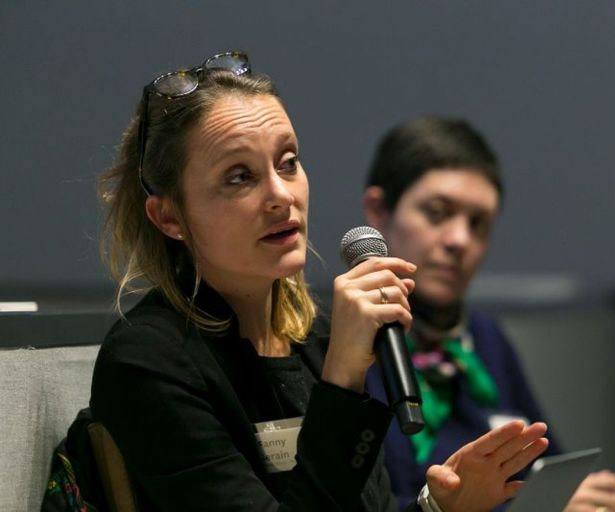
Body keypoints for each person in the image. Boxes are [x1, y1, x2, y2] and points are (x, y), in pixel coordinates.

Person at [89, 51, 549, 512]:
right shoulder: (148, 362)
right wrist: (343, 382)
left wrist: (440, 507)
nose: (281, 195)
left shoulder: (313, 335)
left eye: (288, 163)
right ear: (169, 216)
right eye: (239, 177)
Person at [362, 116, 615, 512]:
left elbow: (546, 469)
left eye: (478, 223)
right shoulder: (338, 340)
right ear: (378, 211)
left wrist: (599, 501)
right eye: (437, 212)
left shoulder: (486, 339)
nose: (460, 240)